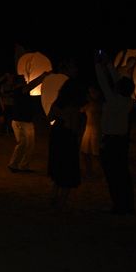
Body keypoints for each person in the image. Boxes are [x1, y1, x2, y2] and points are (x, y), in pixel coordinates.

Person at [95, 50, 136, 215]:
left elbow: (103, 82)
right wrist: (109, 65)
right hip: (122, 142)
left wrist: (98, 64)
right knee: (123, 174)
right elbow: (119, 83)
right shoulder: (128, 102)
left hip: (111, 142)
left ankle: (119, 206)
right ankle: (128, 206)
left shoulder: (113, 100)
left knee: (113, 176)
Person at [47, 78, 86, 210]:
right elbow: (73, 127)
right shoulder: (74, 107)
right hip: (67, 138)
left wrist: (60, 116)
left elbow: (50, 117)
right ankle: (62, 200)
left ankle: (53, 196)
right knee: (68, 170)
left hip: (57, 136)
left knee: (57, 167)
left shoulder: (57, 103)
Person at [7, 70, 52, 173]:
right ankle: (23, 165)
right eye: (23, 79)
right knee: (29, 144)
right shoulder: (21, 90)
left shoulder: (15, 90)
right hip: (24, 122)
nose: (25, 81)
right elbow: (33, 84)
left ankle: (13, 164)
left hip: (16, 121)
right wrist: (43, 76)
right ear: (19, 82)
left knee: (21, 143)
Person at [80, 85, 103, 178]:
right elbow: (80, 110)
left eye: (93, 92)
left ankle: (102, 172)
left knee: (96, 153)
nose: (91, 94)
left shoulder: (100, 104)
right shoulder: (89, 104)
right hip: (88, 129)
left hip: (96, 130)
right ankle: (89, 171)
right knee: (85, 152)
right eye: (90, 92)